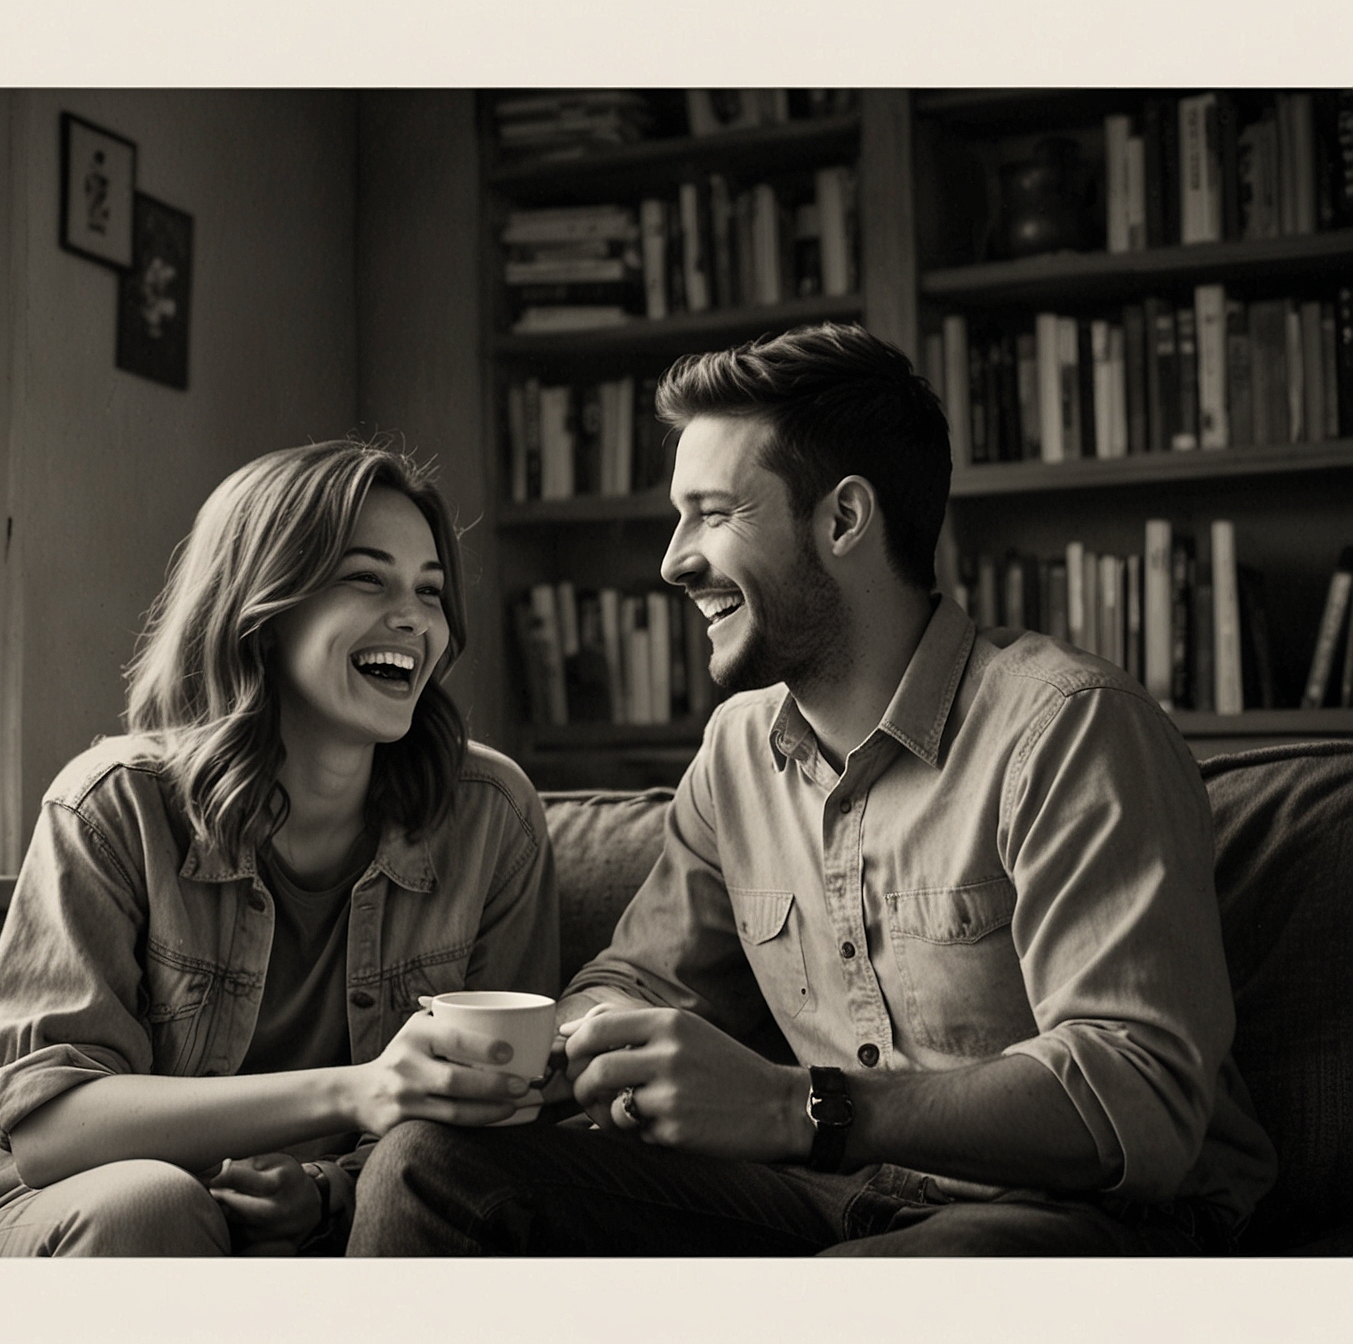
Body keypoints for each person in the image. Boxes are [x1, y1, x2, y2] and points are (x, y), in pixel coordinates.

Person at [346, 324, 1278, 1256]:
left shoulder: (1070, 727)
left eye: (712, 514)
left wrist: (797, 1106)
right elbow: (647, 978)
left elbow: (1142, 1093)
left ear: (843, 520)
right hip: (832, 1198)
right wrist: (557, 1044)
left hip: (1072, 1219)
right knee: (429, 1164)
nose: (672, 560)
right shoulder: (736, 753)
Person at [0, 440, 559, 1257]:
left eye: (431, 590)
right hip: (77, 1224)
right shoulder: (112, 806)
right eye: (367, 577)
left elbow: (500, 1117)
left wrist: (330, 1191)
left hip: (342, 1228)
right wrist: (357, 1092)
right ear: (262, 610)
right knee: (151, 1204)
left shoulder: (491, 816)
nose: (414, 617)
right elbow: (51, 1128)